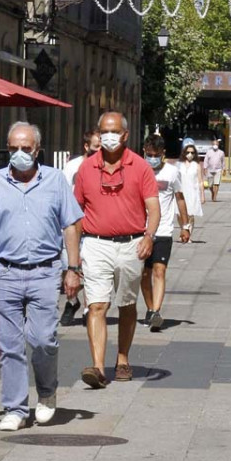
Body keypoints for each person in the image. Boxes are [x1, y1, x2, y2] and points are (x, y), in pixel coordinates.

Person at [0, 122, 83, 431]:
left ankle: (46, 394)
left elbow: (71, 225)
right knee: (10, 344)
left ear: (37, 150)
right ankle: (15, 407)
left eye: (26, 148)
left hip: (46, 271)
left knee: (44, 340)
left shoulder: (55, 180)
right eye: (13, 148)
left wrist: (73, 269)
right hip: (6, 272)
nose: (19, 154)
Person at [74, 112, 159, 388]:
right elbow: (75, 214)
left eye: (113, 131)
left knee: (126, 304)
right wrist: (72, 259)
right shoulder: (86, 169)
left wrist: (149, 235)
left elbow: (153, 208)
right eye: (103, 131)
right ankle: (97, 367)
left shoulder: (141, 167)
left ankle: (122, 358)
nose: (108, 136)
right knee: (96, 305)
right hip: (95, 243)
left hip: (131, 244)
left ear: (125, 135)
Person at [141, 134, 190, 332]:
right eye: (149, 154)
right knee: (144, 274)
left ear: (163, 154)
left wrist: (185, 226)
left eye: (156, 154)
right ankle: (150, 308)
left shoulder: (172, 172)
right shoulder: (138, 170)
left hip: (163, 230)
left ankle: (155, 311)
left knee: (159, 271)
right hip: (140, 231)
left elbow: (180, 198)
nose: (152, 158)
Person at [59, 130, 101, 327]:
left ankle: (87, 308)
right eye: (96, 147)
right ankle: (72, 302)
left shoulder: (105, 166)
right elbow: (64, 194)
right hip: (72, 225)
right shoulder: (72, 167)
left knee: (91, 269)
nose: (99, 151)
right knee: (68, 265)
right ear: (86, 147)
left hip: (95, 225)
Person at [178, 143, 204, 233]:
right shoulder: (179, 165)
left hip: (193, 193)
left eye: (192, 153)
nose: (190, 154)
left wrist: (202, 195)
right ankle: (183, 230)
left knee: (190, 214)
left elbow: (200, 181)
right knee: (179, 214)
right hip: (180, 193)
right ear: (184, 153)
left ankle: (188, 234)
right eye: (188, 152)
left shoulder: (197, 165)